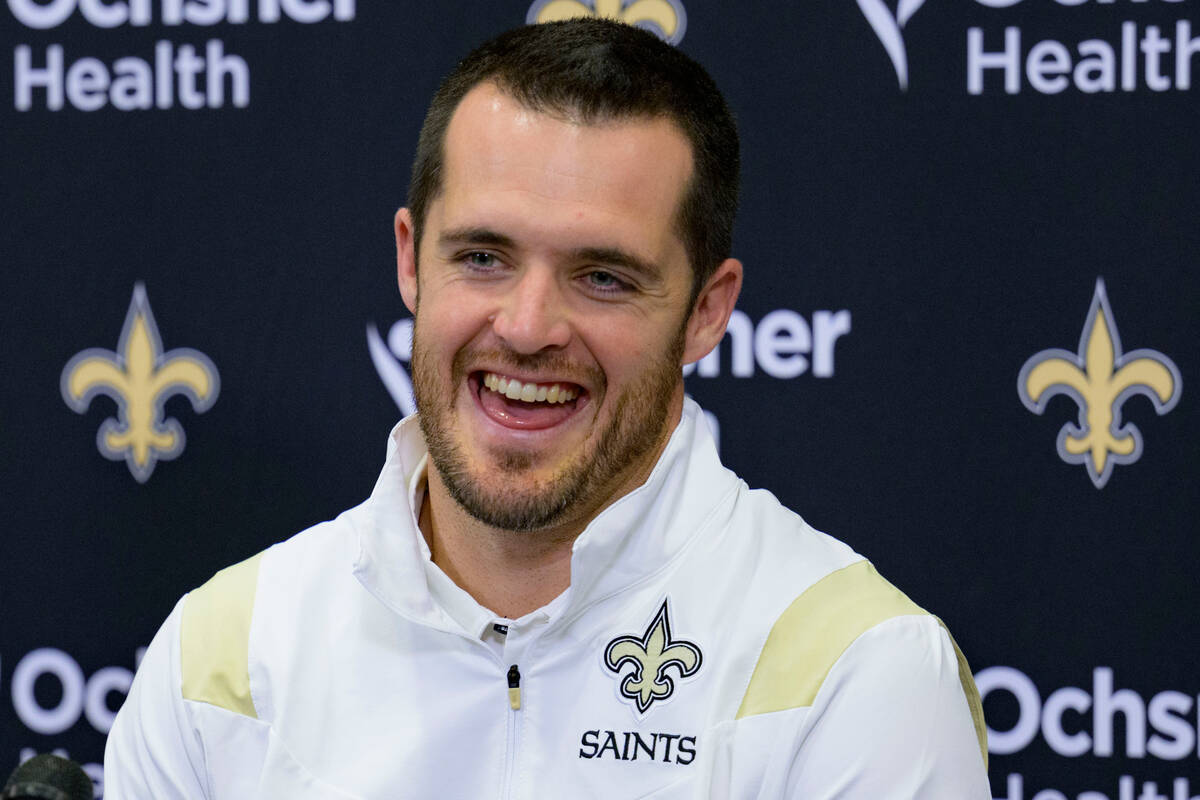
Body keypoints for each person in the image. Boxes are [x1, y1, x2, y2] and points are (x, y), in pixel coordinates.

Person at [104, 18, 990, 799]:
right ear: (412, 260)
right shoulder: (218, 660)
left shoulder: (858, 673)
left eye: (602, 276)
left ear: (708, 312)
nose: (526, 329)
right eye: (482, 257)